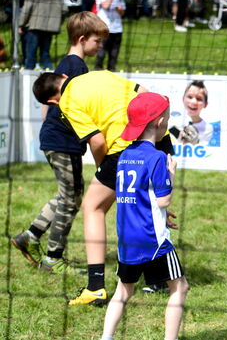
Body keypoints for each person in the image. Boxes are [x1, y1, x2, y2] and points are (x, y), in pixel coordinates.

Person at [31, 70, 174, 305]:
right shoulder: (100, 74)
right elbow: (145, 94)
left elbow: (97, 141)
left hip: (126, 145)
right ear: (65, 75)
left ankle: (96, 287)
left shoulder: (66, 103)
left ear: (51, 102)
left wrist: (103, 170)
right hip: (160, 136)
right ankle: (157, 280)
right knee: (147, 205)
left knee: (92, 207)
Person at [10, 12, 108, 274]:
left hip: (56, 140)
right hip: (63, 142)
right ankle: (53, 258)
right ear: (82, 38)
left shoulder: (65, 65)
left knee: (69, 194)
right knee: (71, 199)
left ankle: (30, 236)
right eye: (97, 42)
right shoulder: (76, 68)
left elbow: (48, 110)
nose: (100, 47)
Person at [100, 92, 188, 340]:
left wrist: (160, 211)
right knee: (180, 287)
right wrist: (171, 175)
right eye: (168, 118)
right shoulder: (158, 157)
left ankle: (106, 338)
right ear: (160, 122)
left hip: (127, 237)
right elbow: (163, 199)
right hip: (153, 240)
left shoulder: (125, 155)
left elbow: (135, 197)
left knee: (123, 291)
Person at [19, 0, 67, 70]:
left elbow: (27, 8)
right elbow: (64, 9)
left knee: (31, 54)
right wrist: (58, 21)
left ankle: (28, 76)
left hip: (34, 26)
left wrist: (21, 24)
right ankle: (49, 74)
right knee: (45, 54)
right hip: (49, 28)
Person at [94, 0, 125, 71]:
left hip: (117, 29)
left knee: (114, 55)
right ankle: (98, 72)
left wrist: (120, 9)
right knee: (101, 53)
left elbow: (122, 13)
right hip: (104, 29)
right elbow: (105, 6)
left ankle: (112, 71)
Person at [172, 81, 213, 145]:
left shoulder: (207, 128)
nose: (193, 102)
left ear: (205, 104)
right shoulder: (173, 121)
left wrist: (194, 141)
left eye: (199, 99)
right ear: (183, 99)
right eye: (190, 97)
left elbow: (203, 150)